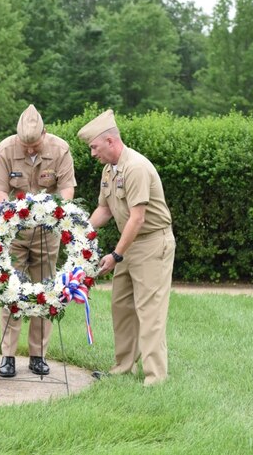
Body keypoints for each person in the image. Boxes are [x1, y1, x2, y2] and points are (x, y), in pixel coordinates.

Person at [77, 110, 175, 387]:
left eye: (94, 147)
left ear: (110, 141)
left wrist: (116, 254)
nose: (93, 154)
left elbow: (138, 217)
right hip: (130, 245)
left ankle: (155, 377)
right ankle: (123, 367)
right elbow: (104, 209)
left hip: (152, 243)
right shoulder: (109, 171)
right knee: (121, 306)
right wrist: (78, 234)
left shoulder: (136, 167)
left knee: (149, 310)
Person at [0, 104, 77, 378]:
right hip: (15, 232)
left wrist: (54, 212)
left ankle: (38, 355)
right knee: (11, 290)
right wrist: (12, 215)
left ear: (45, 134)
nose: (29, 151)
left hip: (46, 231)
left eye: (34, 145)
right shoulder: (5, 148)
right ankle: (9, 356)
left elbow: (67, 188)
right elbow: (1, 189)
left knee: (44, 290)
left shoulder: (60, 149)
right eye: (24, 146)